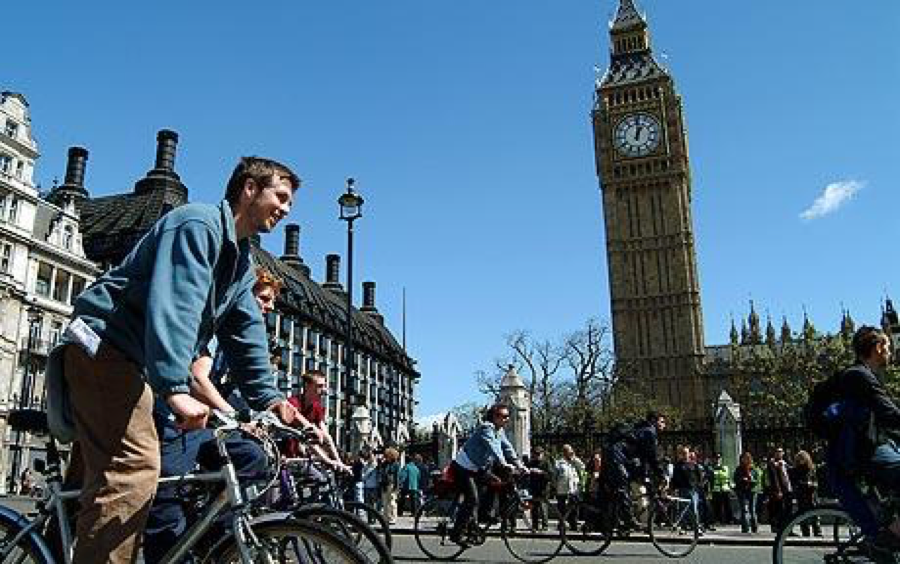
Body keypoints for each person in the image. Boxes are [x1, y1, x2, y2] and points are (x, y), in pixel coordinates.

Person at [55, 156, 301, 563]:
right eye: (281, 196)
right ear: (249, 189)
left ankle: (54, 544)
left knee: (93, 483)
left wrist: (273, 401)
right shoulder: (198, 226)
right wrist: (174, 387)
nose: (286, 208)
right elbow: (176, 304)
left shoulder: (239, 264)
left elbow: (247, 339)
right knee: (132, 470)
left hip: (135, 363)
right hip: (104, 345)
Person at [143, 266, 284, 564]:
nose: (269, 307)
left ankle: (211, 537)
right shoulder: (213, 330)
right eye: (264, 298)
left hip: (203, 423)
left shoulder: (238, 338)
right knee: (167, 497)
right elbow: (199, 380)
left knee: (251, 456)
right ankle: (179, 545)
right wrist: (236, 416)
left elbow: (251, 382)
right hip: (173, 418)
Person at [827, 326, 900, 550]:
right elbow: (889, 413)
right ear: (877, 348)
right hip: (862, 452)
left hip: (870, 446)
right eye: (887, 347)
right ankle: (890, 535)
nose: (890, 352)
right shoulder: (859, 376)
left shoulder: (863, 374)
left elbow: (884, 419)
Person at [448, 403, 527, 546]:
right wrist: (503, 463)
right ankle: (456, 533)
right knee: (472, 499)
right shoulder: (486, 428)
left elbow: (507, 448)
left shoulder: (499, 431)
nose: (506, 419)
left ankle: (482, 517)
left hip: (478, 469)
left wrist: (520, 465)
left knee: (496, 484)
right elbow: (494, 447)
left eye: (507, 416)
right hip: (463, 468)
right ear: (494, 416)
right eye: (503, 416)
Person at [600, 411, 666, 530]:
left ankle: (616, 518)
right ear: (653, 421)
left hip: (618, 455)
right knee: (622, 485)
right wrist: (661, 474)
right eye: (661, 422)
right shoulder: (649, 432)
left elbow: (643, 458)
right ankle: (628, 520)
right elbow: (653, 457)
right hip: (615, 455)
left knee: (621, 489)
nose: (664, 425)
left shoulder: (643, 431)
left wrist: (644, 476)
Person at [285, 370, 350, 473]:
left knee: (320, 480)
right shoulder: (293, 403)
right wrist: (328, 460)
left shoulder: (316, 406)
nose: (323, 390)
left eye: (324, 386)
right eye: (319, 386)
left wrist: (339, 462)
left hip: (300, 457)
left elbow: (326, 437)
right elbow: (308, 438)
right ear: (307, 386)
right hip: (286, 457)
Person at [790, 450, 822, 537]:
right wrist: (807, 484)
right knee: (803, 515)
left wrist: (813, 484)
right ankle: (806, 533)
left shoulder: (811, 469)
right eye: (799, 458)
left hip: (812, 495)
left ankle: (818, 532)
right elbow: (796, 483)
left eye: (803, 458)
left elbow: (815, 481)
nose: (801, 460)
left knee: (815, 515)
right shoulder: (795, 470)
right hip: (802, 495)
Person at [555, 444, 584, 529]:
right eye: (568, 451)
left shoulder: (574, 462)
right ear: (564, 452)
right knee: (561, 508)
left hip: (573, 489)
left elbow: (582, 467)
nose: (570, 453)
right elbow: (555, 475)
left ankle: (573, 524)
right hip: (562, 489)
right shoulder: (559, 463)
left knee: (574, 508)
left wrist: (574, 458)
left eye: (571, 451)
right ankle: (561, 524)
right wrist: (555, 485)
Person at [766, 446, 793, 533]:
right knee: (778, 509)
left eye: (781, 451)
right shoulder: (772, 463)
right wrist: (778, 490)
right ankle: (777, 527)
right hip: (779, 490)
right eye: (777, 452)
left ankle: (788, 528)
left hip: (788, 489)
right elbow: (774, 479)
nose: (779, 453)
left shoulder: (786, 463)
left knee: (788, 510)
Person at [527, 446, 553, 531]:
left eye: (539, 454)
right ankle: (535, 526)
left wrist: (541, 472)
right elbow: (527, 473)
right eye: (535, 454)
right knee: (534, 508)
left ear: (542, 454)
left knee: (543, 507)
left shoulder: (546, 462)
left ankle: (545, 525)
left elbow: (550, 475)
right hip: (534, 488)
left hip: (543, 488)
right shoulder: (531, 462)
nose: (537, 456)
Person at [733, 451, 758, 534]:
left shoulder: (753, 469)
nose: (746, 460)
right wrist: (742, 480)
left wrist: (751, 480)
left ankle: (754, 528)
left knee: (752, 509)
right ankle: (745, 528)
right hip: (742, 490)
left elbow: (757, 480)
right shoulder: (739, 469)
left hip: (752, 490)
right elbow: (735, 479)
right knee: (744, 509)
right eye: (744, 458)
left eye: (747, 458)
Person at [710, 453, 734, 525]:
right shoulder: (711, 468)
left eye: (719, 458)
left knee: (728, 505)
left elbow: (729, 478)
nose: (718, 460)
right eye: (716, 458)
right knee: (717, 506)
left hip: (725, 488)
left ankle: (729, 520)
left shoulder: (725, 468)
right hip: (716, 489)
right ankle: (718, 520)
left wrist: (731, 486)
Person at [379, 447, 401, 525]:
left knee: (392, 502)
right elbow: (381, 472)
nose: (385, 457)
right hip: (384, 484)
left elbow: (397, 476)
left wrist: (396, 486)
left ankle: (392, 518)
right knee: (385, 502)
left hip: (391, 484)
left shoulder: (395, 464)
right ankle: (385, 518)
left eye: (386, 455)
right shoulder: (384, 464)